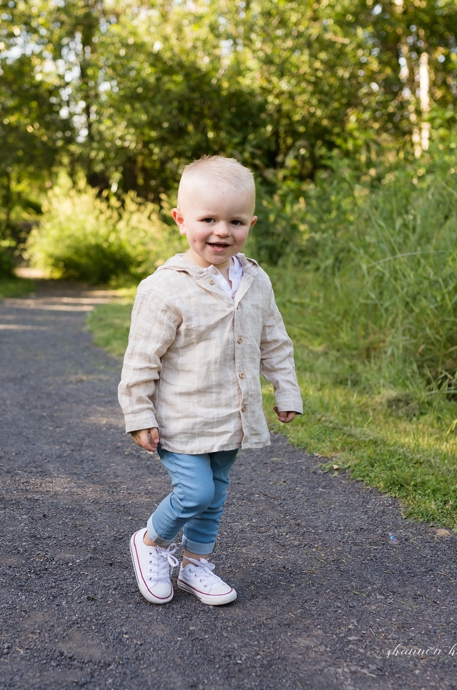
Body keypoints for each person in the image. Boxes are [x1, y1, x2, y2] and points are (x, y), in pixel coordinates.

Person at [118, 155, 302, 606]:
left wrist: (286, 388)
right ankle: (151, 543)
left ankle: (196, 565)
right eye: (208, 219)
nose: (222, 231)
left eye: (235, 221)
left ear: (251, 223)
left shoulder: (256, 280)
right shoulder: (164, 288)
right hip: (181, 418)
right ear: (181, 220)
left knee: (215, 496)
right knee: (195, 491)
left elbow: (274, 339)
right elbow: (141, 358)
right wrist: (139, 414)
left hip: (231, 415)